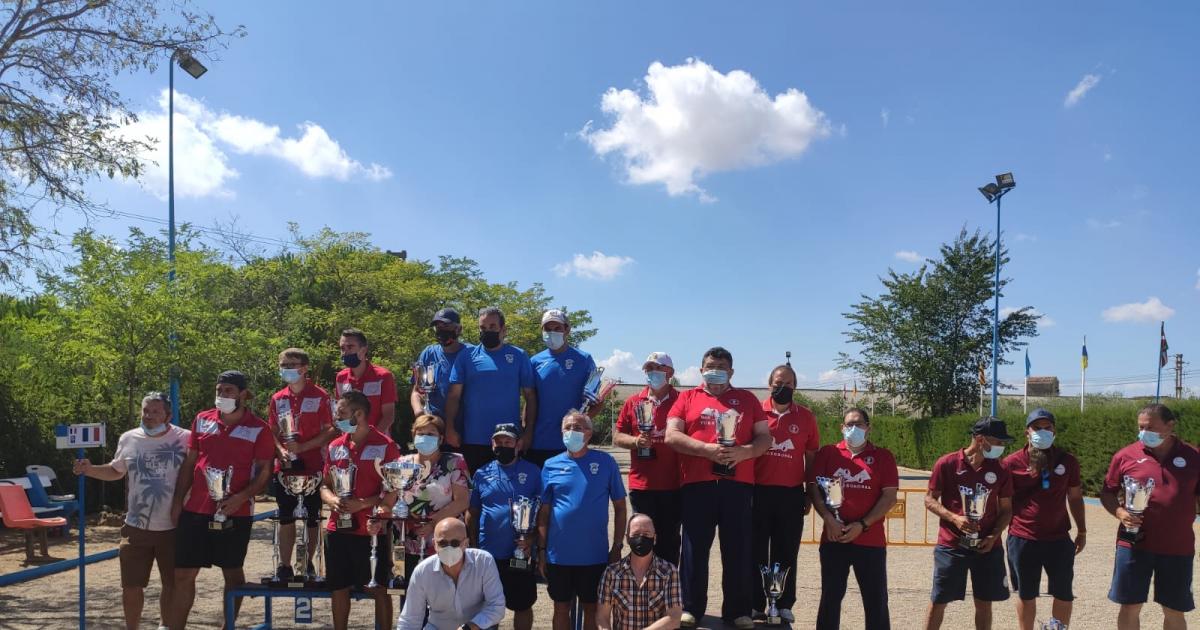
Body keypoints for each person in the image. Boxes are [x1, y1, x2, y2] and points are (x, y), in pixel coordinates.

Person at [664, 346, 771, 630]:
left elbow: (764, 438)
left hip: (738, 485)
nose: (716, 370)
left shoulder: (747, 399)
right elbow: (671, 435)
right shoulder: (686, 398)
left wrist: (744, 452)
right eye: (711, 365)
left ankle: (738, 610)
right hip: (697, 484)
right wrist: (706, 450)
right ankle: (690, 607)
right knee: (694, 549)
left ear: (731, 371)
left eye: (722, 366)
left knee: (737, 548)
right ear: (701, 370)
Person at [73, 391, 189, 630]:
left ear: (168, 414)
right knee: (131, 585)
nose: (149, 416)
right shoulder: (129, 438)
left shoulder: (186, 439)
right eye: (145, 411)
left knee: (172, 584)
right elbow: (117, 471)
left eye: (155, 411)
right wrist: (91, 469)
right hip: (136, 526)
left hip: (175, 526)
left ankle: (166, 626)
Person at [169, 370, 274, 630]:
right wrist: (177, 501)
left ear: (242, 394)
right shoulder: (202, 419)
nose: (223, 395)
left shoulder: (259, 428)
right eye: (219, 390)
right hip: (196, 509)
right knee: (183, 573)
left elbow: (264, 471)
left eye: (228, 390)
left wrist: (241, 497)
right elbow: (189, 463)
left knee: (232, 573)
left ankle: (228, 625)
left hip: (235, 512)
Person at [1100, 403, 1199, 630]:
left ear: (1170, 425)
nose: (1144, 432)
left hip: (1177, 547)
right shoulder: (1125, 456)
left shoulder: (1194, 457)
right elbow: (1107, 492)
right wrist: (1119, 511)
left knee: (1174, 609)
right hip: (1133, 543)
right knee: (1130, 606)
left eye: (1150, 427)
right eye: (1141, 427)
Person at [808, 407, 898, 630]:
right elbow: (814, 488)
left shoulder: (883, 457)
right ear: (842, 428)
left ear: (868, 428)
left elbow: (889, 497)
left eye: (859, 424)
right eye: (849, 424)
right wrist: (829, 519)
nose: (854, 428)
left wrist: (863, 525)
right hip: (834, 538)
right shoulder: (828, 453)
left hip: (870, 540)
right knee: (830, 598)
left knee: (875, 599)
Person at [538, 411, 628, 630]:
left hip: (593, 554)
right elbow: (544, 512)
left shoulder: (606, 462)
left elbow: (620, 507)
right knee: (561, 607)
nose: (572, 432)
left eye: (578, 428)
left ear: (589, 433)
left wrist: (617, 546)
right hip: (558, 555)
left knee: (592, 608)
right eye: (567, 428)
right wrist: (541, 550)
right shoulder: (550, 465)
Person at [923, 416, 1014, 630]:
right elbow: (929, 499)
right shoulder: (947, 464)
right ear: (981, 439)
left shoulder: (1000, 470)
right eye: (998, 441)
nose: (1001, 446)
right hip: (952, 545)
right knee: (939, 601)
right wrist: (954, 518)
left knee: (984, 603)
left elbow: (1007, 510)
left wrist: (993, 536)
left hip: (987, 547)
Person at [321, 390, 401, 630]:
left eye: (342, 413)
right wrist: (331, 499)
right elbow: (324, 485)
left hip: (371, 531)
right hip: (337, 528)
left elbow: (394, 491)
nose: (338, 419)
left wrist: (364, 503)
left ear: (359, 414)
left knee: (376, 588)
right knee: (339, 587)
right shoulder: (335, 446)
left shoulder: (385, 445)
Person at [1002, 408, 1087, 630]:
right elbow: (1002, 503)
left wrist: (1082, 530)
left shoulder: (1068, 461)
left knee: (1063, 593)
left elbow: (1075, 497)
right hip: (1022, 537)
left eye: (1047, 428)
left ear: (1054, 430)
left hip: (1058, 538)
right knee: (1026, 593)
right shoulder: (1011, 463)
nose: (1042, 432)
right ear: (1027, 432)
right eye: (1037, 428)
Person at [751, 364, 819, 622]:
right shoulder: (756, 411)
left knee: (787, 551)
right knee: (755, 550)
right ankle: (755, 603)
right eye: (779, 382)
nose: (783, 387)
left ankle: (784, 603)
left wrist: (808, 493)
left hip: (791, 494)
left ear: (795, 387)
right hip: (758, 492)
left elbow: (811, 458)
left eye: (789, 383)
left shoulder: (806, 417)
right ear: (769, 384)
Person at [268, 347, 336, 579]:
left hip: (313, 466)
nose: (287, 370)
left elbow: (330, 429)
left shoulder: (320, 396)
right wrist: (281, 450)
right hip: (285, 468)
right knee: (286, 516)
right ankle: (285, 565)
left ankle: (307, 563)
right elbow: (272, 431)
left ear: (304, 368)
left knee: (312, 517)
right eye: (283, 365)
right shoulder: (277, 398)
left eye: (292, 365)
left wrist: (304, 448)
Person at [467, 423, 543, 630]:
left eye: (508, 441)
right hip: (488, 553)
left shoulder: (534, 472)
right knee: (487, 606)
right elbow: (472, 513)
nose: (502, 445)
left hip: (520, 551)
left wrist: (532, 539)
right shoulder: (481, 473)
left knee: (522, 605)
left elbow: (542, 512)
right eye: (498, 442)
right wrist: (473, 545)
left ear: (518, 444)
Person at [445, 306, 537, 472]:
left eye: (492, 327)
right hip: (473, 439)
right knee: (474, 492)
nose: (487, 331)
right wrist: (450, 427)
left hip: (508, 440)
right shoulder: (466, 356)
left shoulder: (519, 356)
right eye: (483, 327)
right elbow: (453, 396)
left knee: (507, 490)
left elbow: (530, 396)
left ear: (503, 329)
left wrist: (528, 431)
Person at [612, 352, 681, 564]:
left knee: (669, 542)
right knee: (642, 542)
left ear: (669, 372)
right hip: (642, 486)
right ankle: (641, 590)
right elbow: (616, 436)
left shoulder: (682, 400)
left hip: (674, 485)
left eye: (658, 368)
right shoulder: (633, 401)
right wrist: (636, 442)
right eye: (649, 369)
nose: (652, 373)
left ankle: (668, 590)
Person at [395, 413, 471, 584]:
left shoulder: (454, 462)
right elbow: (388, 500)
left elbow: (462, 501)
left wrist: (432, 523)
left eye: (430, 434)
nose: (424, 438)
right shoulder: (401, 463)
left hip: (444, 542)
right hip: (404, 541)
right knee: (407, 596)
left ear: (441, 438)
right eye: (420, 433)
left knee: (443, 596)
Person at [398, 517, 506, 630]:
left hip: (476, 627)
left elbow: (496, 606)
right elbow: (410, 619)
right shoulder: (422, 572)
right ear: (435, 544)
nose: (448, 548)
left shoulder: (484, 562)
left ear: (466, 543)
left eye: (455, 543)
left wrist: (470, 627)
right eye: (443, 543)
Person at [528, 309, 599, 467]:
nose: (552, 332)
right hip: (539, 442)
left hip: (571, 443)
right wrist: (527, 432)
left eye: (557, 328)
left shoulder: (584, 359)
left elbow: (596, 401)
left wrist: (580, 429)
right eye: (547, 329)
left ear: (567, 329)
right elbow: (529, 400)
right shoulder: (534, 361)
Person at [597, 513, 684, 630]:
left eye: (646, 534)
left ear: (655, 538)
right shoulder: (612, 573)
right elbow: (602, 616)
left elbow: (674, 618)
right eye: (636, 534)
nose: (641, 538)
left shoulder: (669, 572)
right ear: (627, 538)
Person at [411, 308, 473, 446]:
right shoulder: (428, 353)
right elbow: (417, 391)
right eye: (438, 327)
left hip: (465, 429)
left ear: (458, 329)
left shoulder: (472, 354)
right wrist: (419, 415)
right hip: (432, 429)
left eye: (446, 326)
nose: (441, 330)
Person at [334, 327, 398, 434]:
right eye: (342, 348)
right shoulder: (341, 377)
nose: (345, 352)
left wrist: (369, 439)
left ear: (363, 350)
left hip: (377, 444)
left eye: (350, 347)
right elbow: (340, 413)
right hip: (350, 443)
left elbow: (388, 416)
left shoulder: (383, 376)